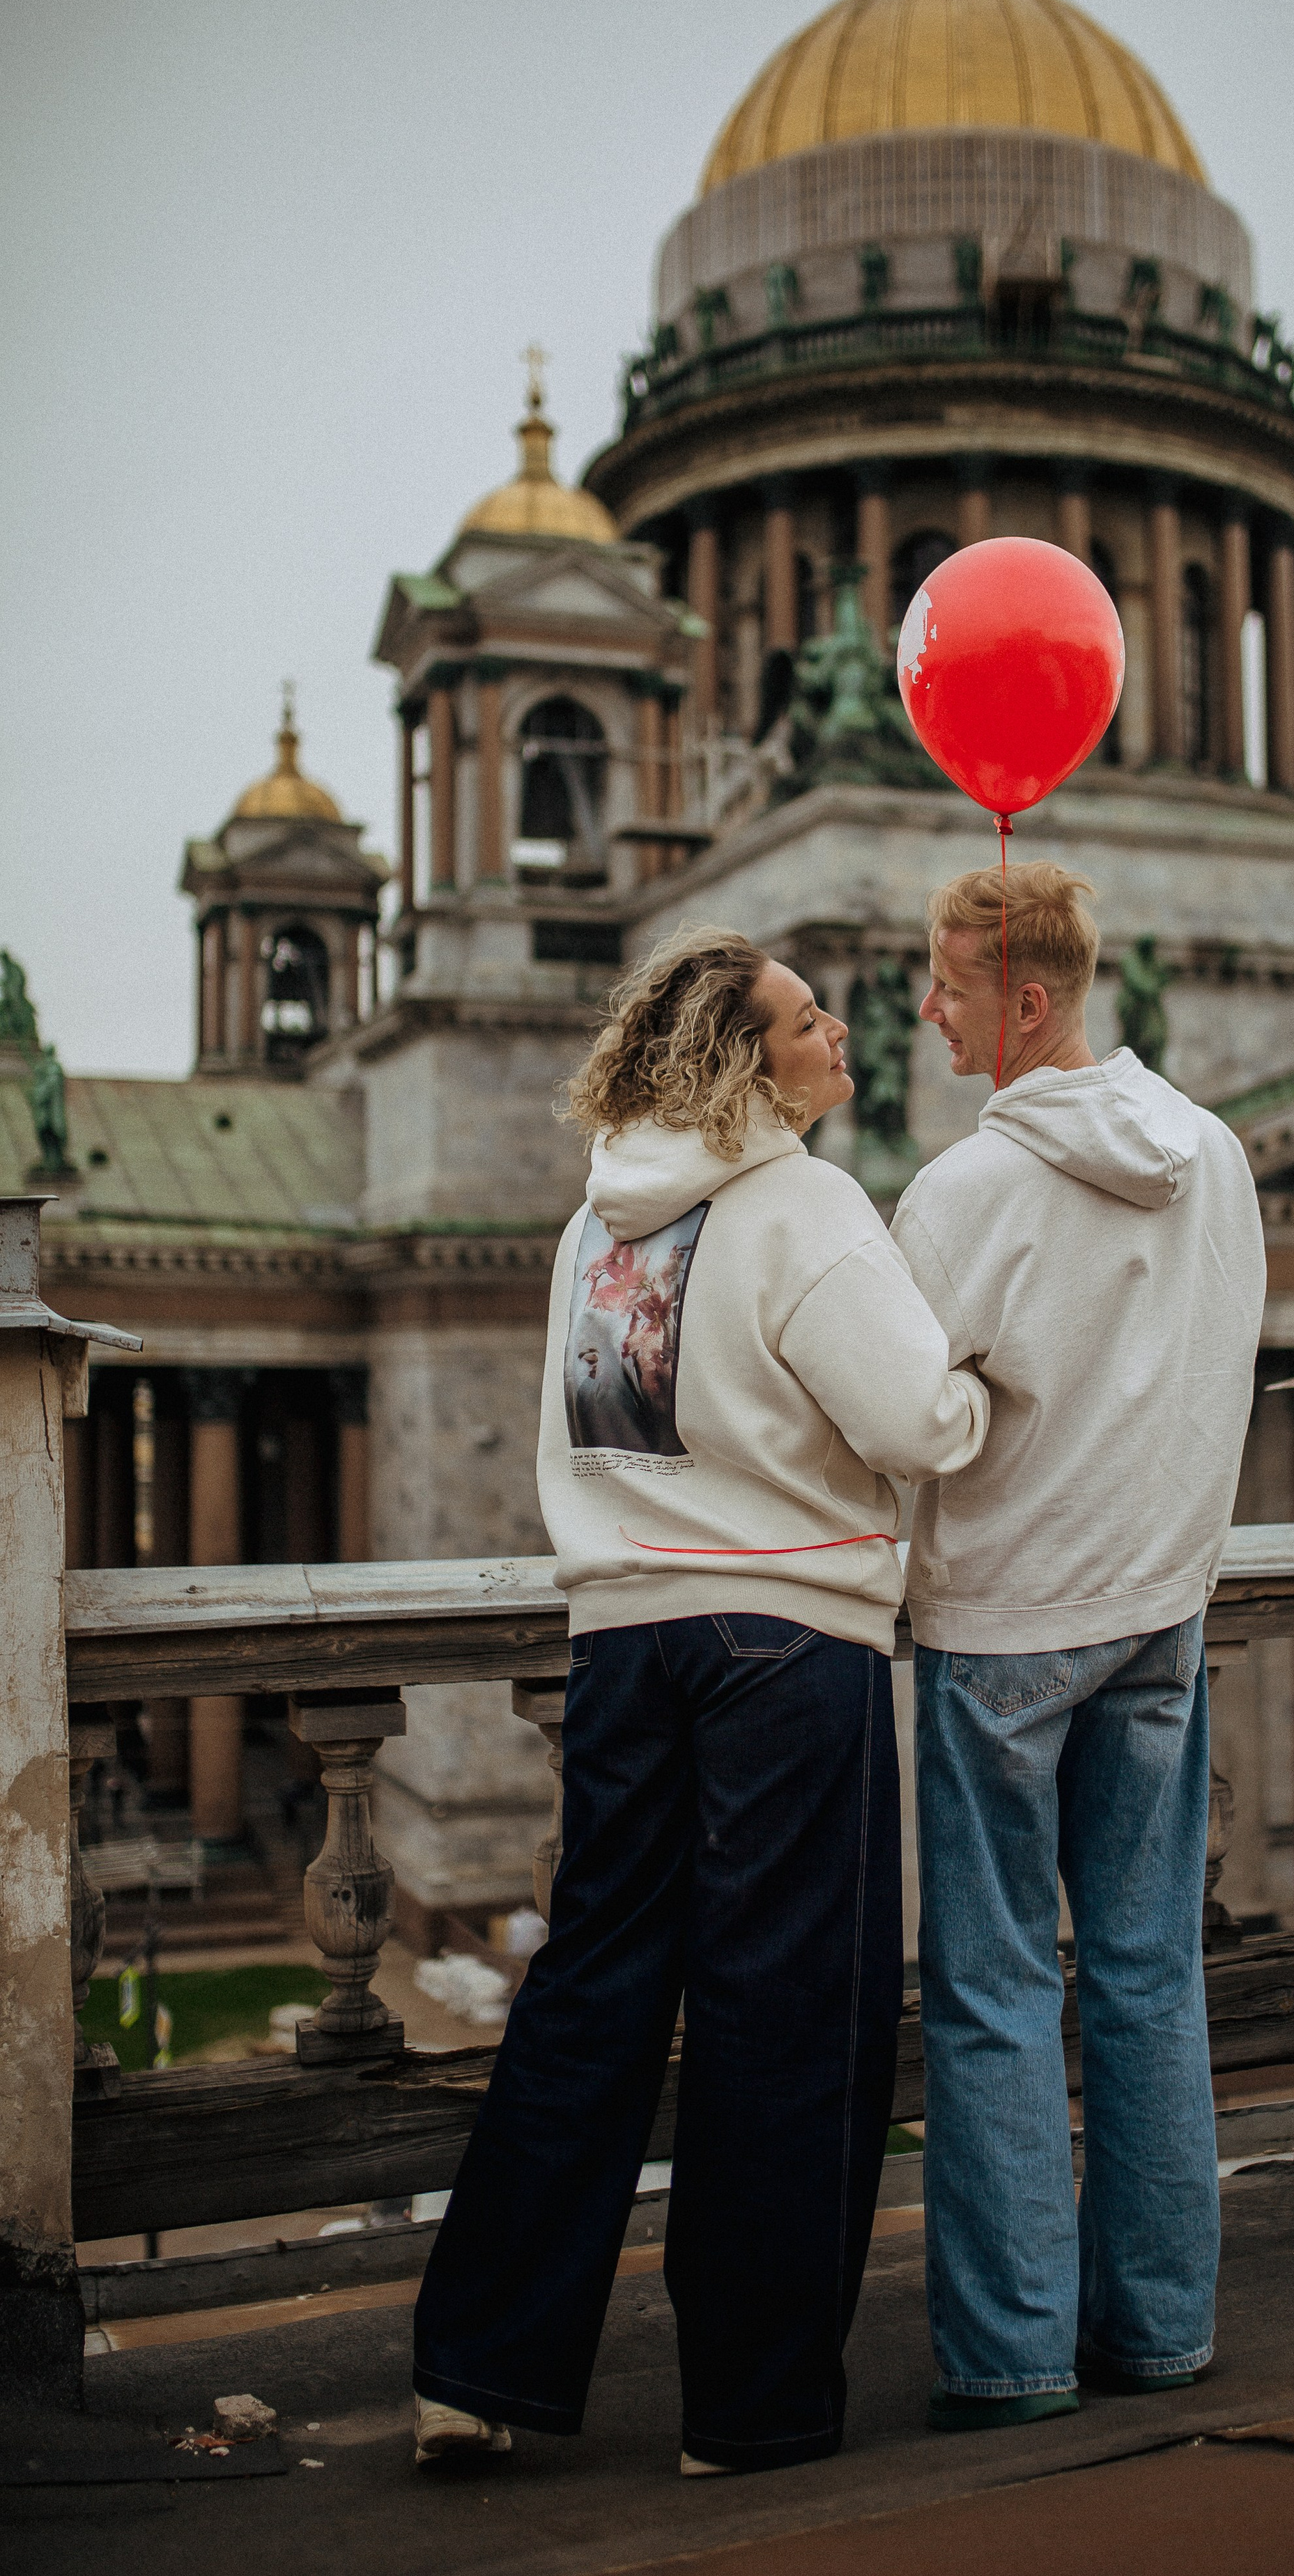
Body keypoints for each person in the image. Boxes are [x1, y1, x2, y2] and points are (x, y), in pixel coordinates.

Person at [413, 926, 989, 2474]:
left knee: (589, 1992)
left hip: (622, 1640)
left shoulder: (592, 1225)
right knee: (782, 2016)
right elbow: (916, 1421)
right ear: (746, 1063)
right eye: (807, 1020)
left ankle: (476, 2368)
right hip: (783, 1639)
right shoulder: (800, 1202)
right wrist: (979, 1381)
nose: (840, 1031)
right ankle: (748, 2406)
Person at [890, 863, 1265, 2430]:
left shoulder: (957, 1194)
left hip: (997, 1633)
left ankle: (1010, 2356)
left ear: (1024, 1001)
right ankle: (1160, 2327)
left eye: (944, 983)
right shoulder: (1216, 1157)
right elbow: (1223, 1362)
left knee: (987, 1992)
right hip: (1159, 1618)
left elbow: (900, 1420)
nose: (925, 1008)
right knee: (1144, 1973)